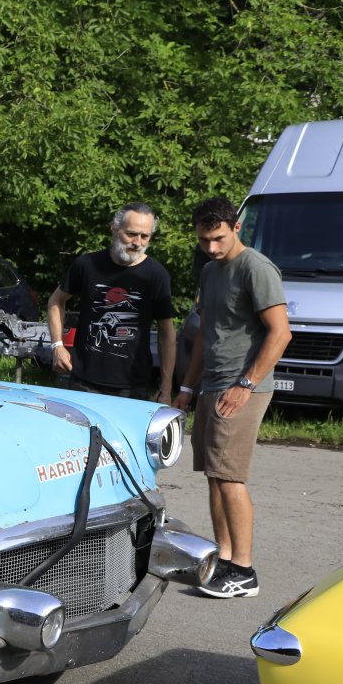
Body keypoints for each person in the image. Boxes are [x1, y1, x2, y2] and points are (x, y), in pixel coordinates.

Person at [173, 196, 291, 599]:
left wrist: (245, 384)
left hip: (242, 387)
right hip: (212, 384)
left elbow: (280, 333)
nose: (211, 247)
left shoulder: (256, 268)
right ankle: (223, 560)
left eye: (218, 238)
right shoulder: (210, 271)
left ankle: (244, 570)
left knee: (230, 477)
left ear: (236, 228)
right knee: (214, 474)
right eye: (203, 240)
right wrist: (187, 387)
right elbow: (205, 334)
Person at [46, 203, 176, 402]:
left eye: (145, 236)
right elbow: (56, 301)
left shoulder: (156, 275)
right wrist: (57, 345)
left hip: (132, 387)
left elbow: (166, 333)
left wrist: (166, 389)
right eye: (131, 234)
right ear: (115, 229)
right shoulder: (87, 265)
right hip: (83, 382)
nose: (137, 242)